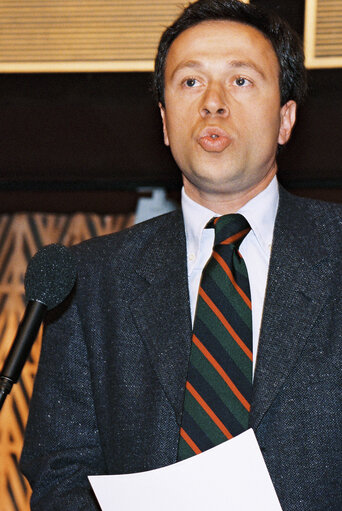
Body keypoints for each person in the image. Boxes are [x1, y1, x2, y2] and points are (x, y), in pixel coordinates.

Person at [21, 1, 342, 510]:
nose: (213, 102)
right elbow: (61, 474)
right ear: (166, 123)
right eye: (190, 83)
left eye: (241, 81)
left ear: (286, 119)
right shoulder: (91, 280)